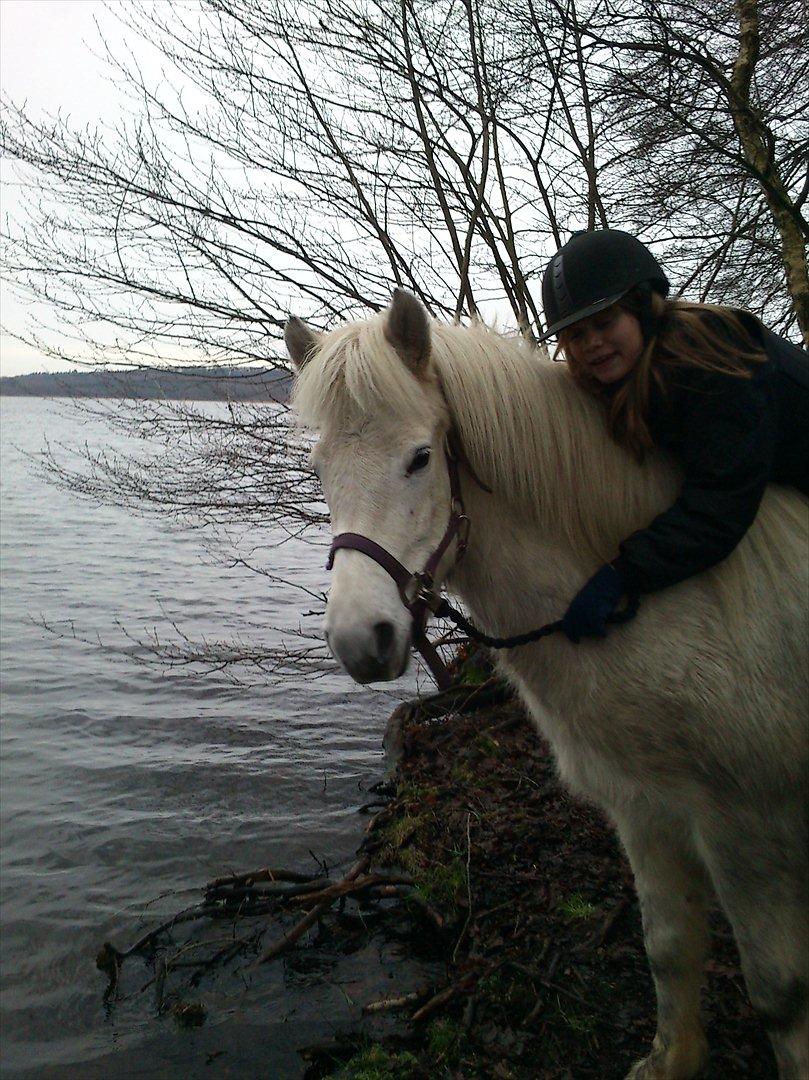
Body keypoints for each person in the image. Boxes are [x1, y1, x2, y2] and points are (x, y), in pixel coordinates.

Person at [538, 229, 809, 643]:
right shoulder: (626, 372)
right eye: (575, 335)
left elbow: (718, 506)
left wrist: (623, 575)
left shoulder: (707, 366)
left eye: (605, 322)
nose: (591, 343)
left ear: (644, 309)